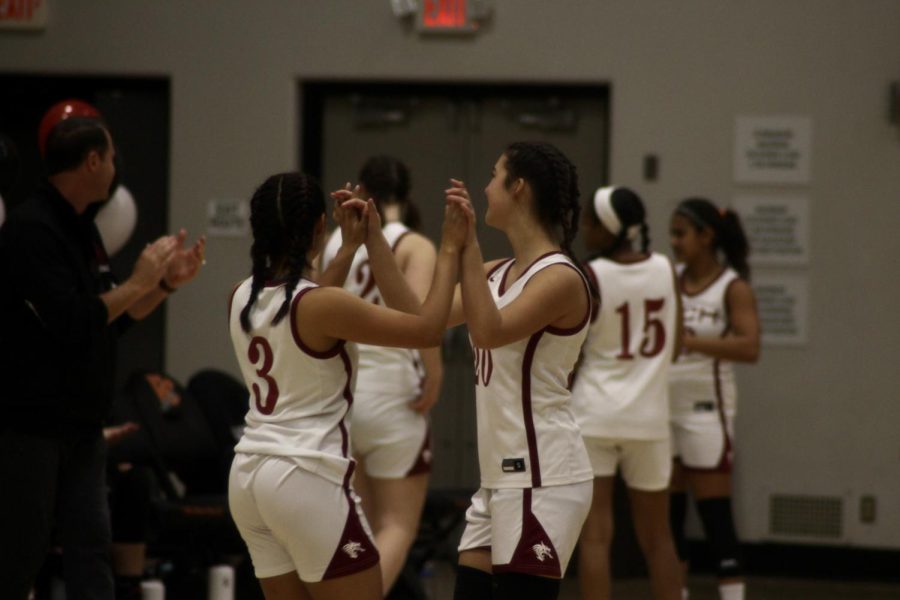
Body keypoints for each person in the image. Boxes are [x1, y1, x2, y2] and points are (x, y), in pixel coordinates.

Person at [226, 172, 468, 600]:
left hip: (248, 477)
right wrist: (441, 245)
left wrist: (350, 248)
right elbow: (428, 329)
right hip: (305, 474)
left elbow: (309, 301)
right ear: (321, 227)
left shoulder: (240, 293)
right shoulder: (321, 304)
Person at [0, 116, 205, 599]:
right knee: (20, 554)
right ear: (92, 161)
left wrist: (166, 283)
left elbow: (112, 317)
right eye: (111, 158)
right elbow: (74, 319)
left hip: (82, 427)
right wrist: (139, 280)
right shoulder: (32, 230)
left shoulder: (84, 230)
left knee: (93, 551)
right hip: (32, 427)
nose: (116, 168)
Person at [444, 142, 593, 600]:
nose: (486, 187)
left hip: (542, 475)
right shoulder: (494, 271)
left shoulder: (560, 277)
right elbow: (415, 315)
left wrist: (467, 246)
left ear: (519, 188)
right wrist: (366, 241)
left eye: (494, 175)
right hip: (499, 480)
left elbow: (489, 331)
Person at [319, 156, 442, 595]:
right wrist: (436, 375)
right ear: (405, 196)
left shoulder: (336, 241)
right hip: (393, 393)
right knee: (398, 526)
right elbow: (423, 318)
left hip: (343, 394)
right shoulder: (414, 244)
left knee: (362, 526)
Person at [571, 186, 683, 600]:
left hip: (594, 414)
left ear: (611, 228)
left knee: (596, 538)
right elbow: (677, 342)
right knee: (659, 540)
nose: (585, 228)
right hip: (649, 418)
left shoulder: (590, 274)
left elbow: (572, 351)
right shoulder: (666, 269)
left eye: (591, 221)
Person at [667, 198, 760, 600]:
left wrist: (688, 341)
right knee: (669, 522)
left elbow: (750, 347)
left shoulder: (732, 287)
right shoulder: (669, 278)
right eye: (671, 233)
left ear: (707, 237)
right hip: (662, 410)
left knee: (716, 519)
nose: (673, 242)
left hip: (706, 411)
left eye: (680, 234)